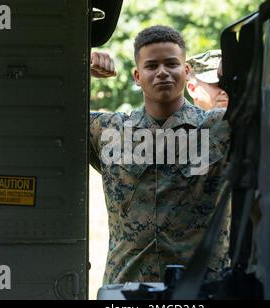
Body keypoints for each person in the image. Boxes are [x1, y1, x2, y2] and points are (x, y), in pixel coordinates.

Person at [89, 25, 231, 285]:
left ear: (186, 71)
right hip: (127, 291)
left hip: (200, 290)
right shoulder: (108, 131)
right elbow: (51, 116)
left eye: (172, 64)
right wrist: (80, 67)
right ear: (136, 76)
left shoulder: (219, 128)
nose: (162, 72)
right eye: (152, 66)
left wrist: (237, 73)